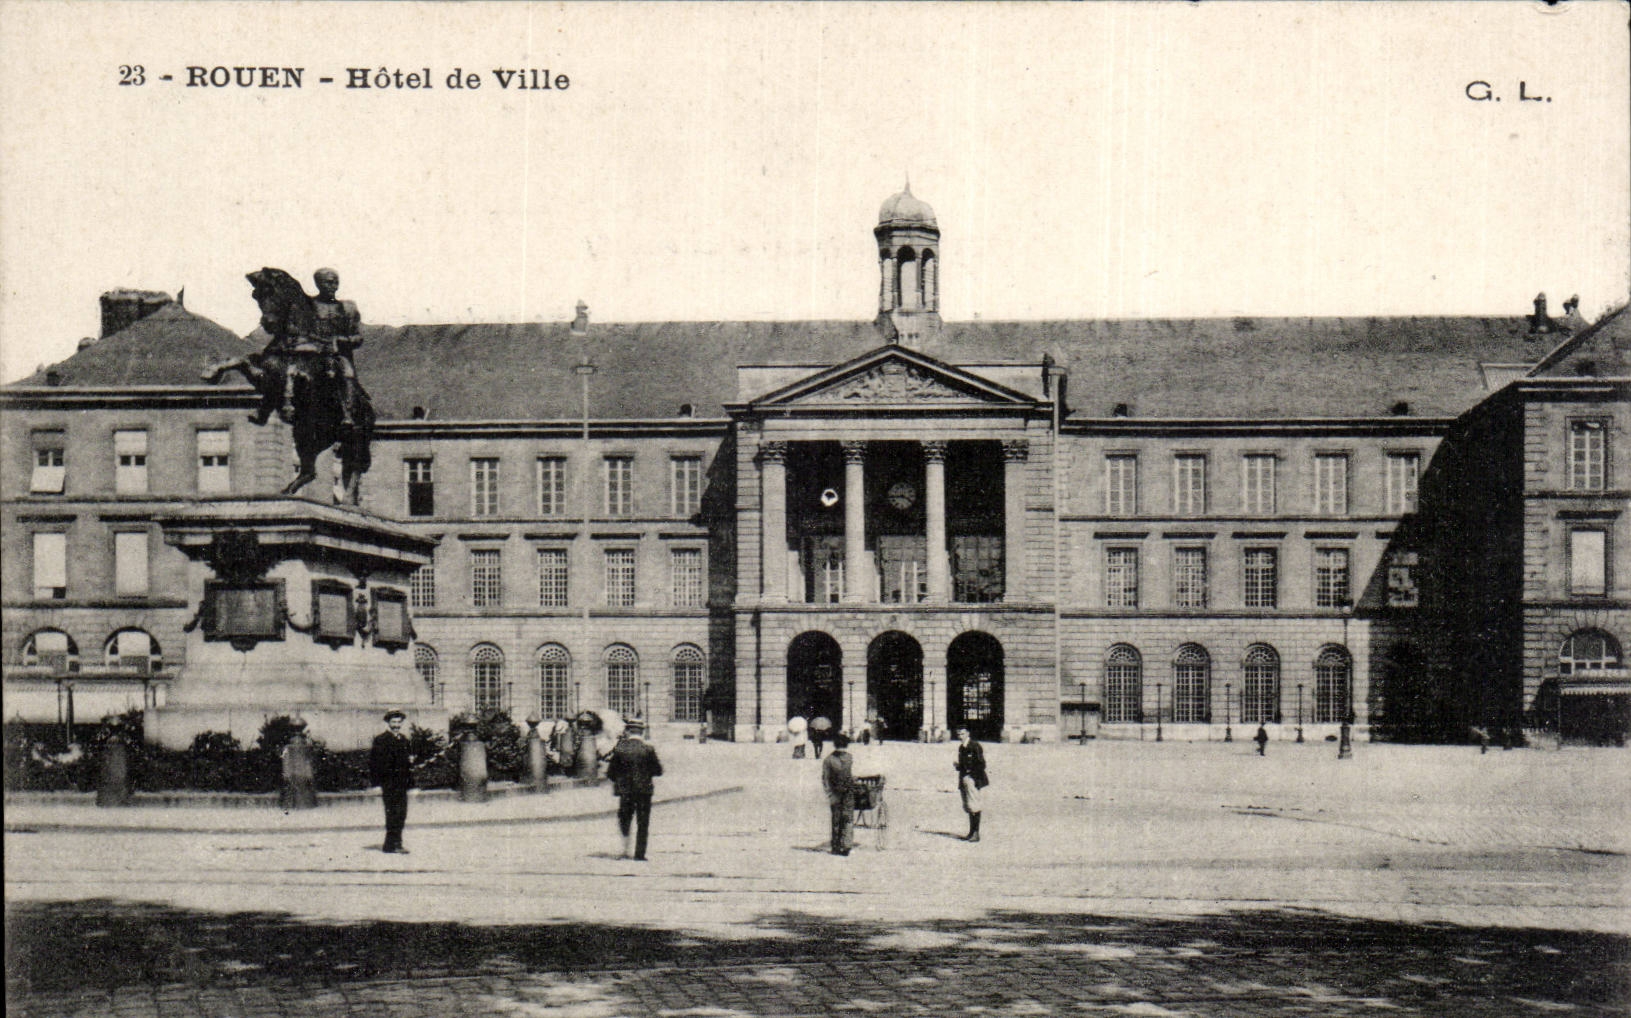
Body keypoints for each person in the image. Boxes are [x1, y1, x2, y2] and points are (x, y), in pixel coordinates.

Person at [311, 268, 364, 428]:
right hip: (313, 352)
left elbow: (358, 336)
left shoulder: (347, 308)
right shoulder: (308, 307)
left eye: (335, 282)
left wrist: (343, 340)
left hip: (337, 354)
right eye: (328, 282)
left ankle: (347, 414)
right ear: (318, 283)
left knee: (347, 374)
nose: (333, 286)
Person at [605, 716, 663, 861]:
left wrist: (620, 779)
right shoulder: (648, 749)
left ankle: (625, 849)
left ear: (629, 731)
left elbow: (611, 773)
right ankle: (639, 854)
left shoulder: (620, 749)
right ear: (641, 732)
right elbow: (658, 770)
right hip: (644, 791)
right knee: (643, 822)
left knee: (625, 819)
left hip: (626, 791)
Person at [369, 710, 413, 854]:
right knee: (392, 814)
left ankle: (396, 843)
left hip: (401, 784)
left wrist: (412, 785)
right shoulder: (381, 740)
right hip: (388, 784)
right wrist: (376, 784)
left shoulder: (404, 740)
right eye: (393, 722)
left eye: (399, 722)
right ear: (388, 723)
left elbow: (408, 766)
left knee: (402, 814)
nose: (396, 725)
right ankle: (391, 845)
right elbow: (374, 764)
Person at [821, 732, 854, 855]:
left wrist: (829, 793)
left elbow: (825, 779)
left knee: (836, 820)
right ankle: (846, 845)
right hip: (849, 791)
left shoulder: (828, 760)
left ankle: (836, 846)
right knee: (848, 818)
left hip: (835, 793)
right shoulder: (849, 758)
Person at [954, 726, 988, 842]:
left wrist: (971, 773)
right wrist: (959, 766)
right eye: (958, 734)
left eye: (962, 734)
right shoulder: (961, 747)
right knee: (968, 805)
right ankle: (971, 832)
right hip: (964, 778)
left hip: (972, 779)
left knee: (974, 805)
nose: (960, 736)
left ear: (968, 733)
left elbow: (982, 764)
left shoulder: (975, 746)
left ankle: (976, 833)